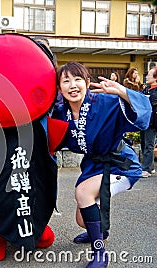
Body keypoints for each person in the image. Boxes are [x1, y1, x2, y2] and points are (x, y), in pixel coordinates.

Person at [52, 62, 151, 267]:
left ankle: (99, 252)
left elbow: (142, 115)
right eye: (66, 80)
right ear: (59, 88)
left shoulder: (105, 102)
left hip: (120, 164)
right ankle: (100, 230)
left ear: (87, 82)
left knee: (83, 192)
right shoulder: (61, 112)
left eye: (78, 79)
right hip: (94, 166)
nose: (73, 85)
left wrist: (122, 92)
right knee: (82, 220)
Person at [140, 66, 157, 178]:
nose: (146, 77)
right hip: (145, 120)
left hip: (153, 121)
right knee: (144, 144)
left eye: (149, 75)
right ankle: (150, 167)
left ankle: (146, 169)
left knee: (149, 145)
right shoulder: (146, 89)